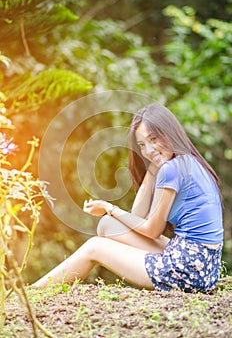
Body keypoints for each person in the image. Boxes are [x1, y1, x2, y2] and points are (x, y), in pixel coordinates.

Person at [33, 103, 223, 292]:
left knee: (94, 247)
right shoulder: (189, 161)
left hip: (187, 270)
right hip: (205, 266)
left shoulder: (171, 169)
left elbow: (151, 230)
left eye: (153, 139)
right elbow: (137, 217)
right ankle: (33, 292)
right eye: (142, 145)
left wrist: (111, 209)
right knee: (107, 225)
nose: (148, 150)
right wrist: (152, 169)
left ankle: (33, 293)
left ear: (169, 132)